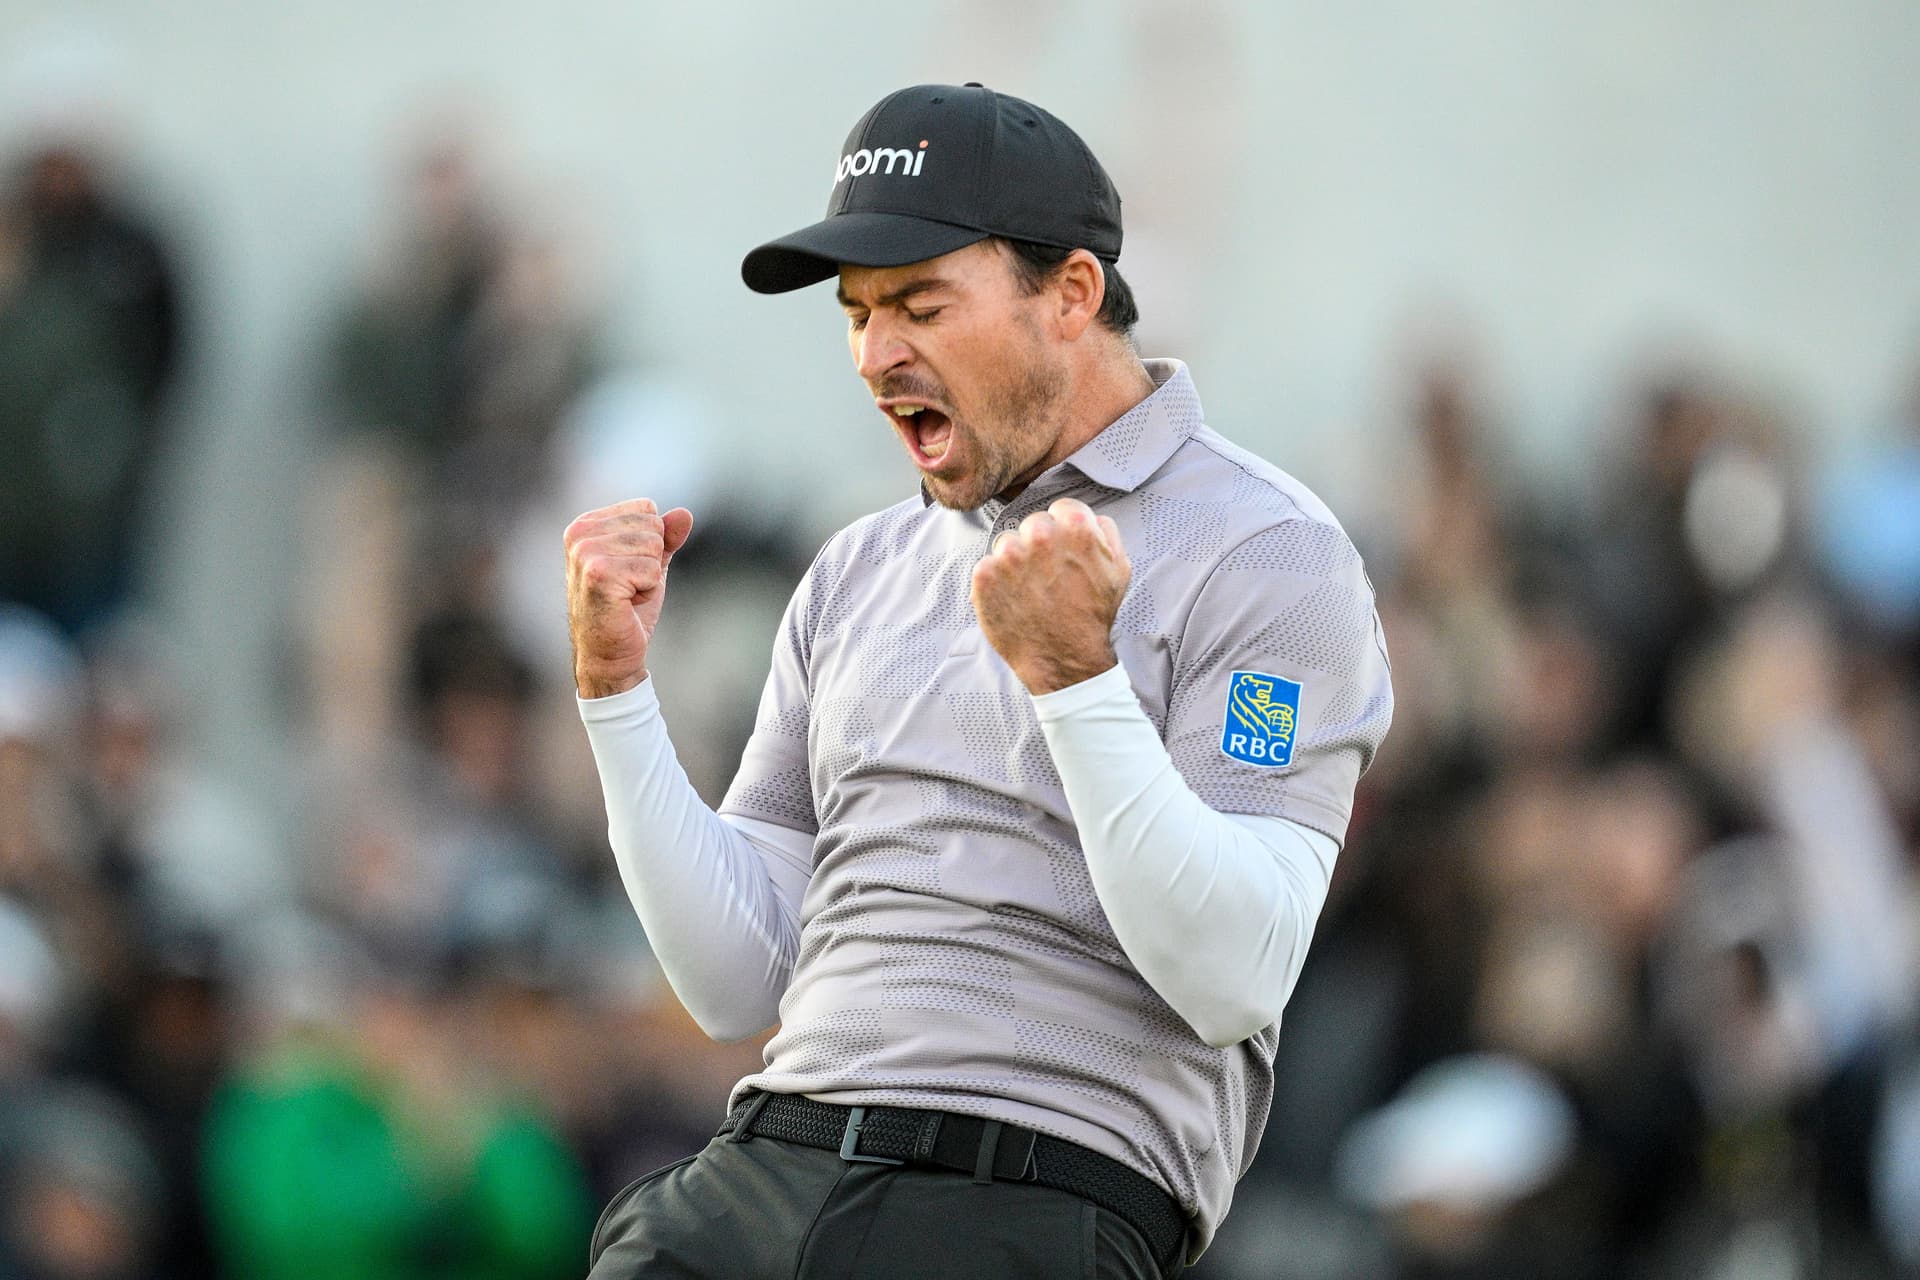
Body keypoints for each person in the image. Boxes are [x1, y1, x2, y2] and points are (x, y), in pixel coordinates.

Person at [565, 83, 1393, 1279]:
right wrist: (615, 696)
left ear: (1072, 295)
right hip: (760, 1171)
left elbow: (1234, 972)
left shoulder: (1270, 551)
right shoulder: (857, 566)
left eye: (921, 304)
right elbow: (733, 980)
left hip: (1028, 1194)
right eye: (857, 312)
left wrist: (1076, 681)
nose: (875, 354)